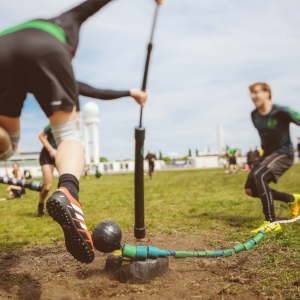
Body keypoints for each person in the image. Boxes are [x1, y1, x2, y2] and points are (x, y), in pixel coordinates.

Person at [0, 0, 162, 264]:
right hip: (46, 47)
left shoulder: (34, 30)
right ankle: (68, 193)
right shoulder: (66, 23)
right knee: (69, 135)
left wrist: (128, 93)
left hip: (3, 47)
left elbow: (81, 87)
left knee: (9, 143)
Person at [37, 83, 152, 217]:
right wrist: (51, 149)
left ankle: (70, 212)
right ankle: (41, 205)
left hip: (63, 152)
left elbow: (96, 91)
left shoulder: (73, 122)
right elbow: (41, 135)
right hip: (48, 154)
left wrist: (130, 93)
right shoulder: (52, 123)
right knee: (47, 186)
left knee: (65, 185)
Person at [244, 82, 300, 233]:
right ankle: (292, 199)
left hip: (284, 153)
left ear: (267, 93)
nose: (253, 96)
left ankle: (271, 221)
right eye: (251, 93)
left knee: (259, 175)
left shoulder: (282, 111)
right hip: (267, 155)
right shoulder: (254, 115)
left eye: (256, 92)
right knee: (250, 189)